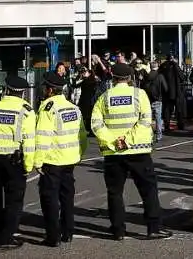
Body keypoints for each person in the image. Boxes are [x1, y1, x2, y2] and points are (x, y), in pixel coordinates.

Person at [91, 63, 172, 241]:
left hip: (113, 153)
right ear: (130, 78)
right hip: (138, 151)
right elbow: (145, 120)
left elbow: (96, 124)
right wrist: (128, 140)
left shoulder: (104, 97)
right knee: (148, 189)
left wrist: (115, 141)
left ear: (113, 78)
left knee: (115, 192)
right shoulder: (139, 94)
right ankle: (153, 228)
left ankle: (118, 230)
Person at [0, 75, 36, 251]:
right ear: (22, 93)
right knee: (13, 202)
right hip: (14, 161)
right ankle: (5, 239)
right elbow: (28, 141)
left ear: (7, 89)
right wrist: (28, 165)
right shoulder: (26, 110)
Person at [34, 71, 88, 247]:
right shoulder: (72, 107)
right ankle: (68, 231)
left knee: (49, 198)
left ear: (50, 90)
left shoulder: (47, 108)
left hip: (52, 160)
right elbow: (82, 135)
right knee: (67, 197)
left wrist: (38, 161)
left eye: (44, 87)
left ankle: (53, 236)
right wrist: (79, 154)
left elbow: (43, 137)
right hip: (70, 159)